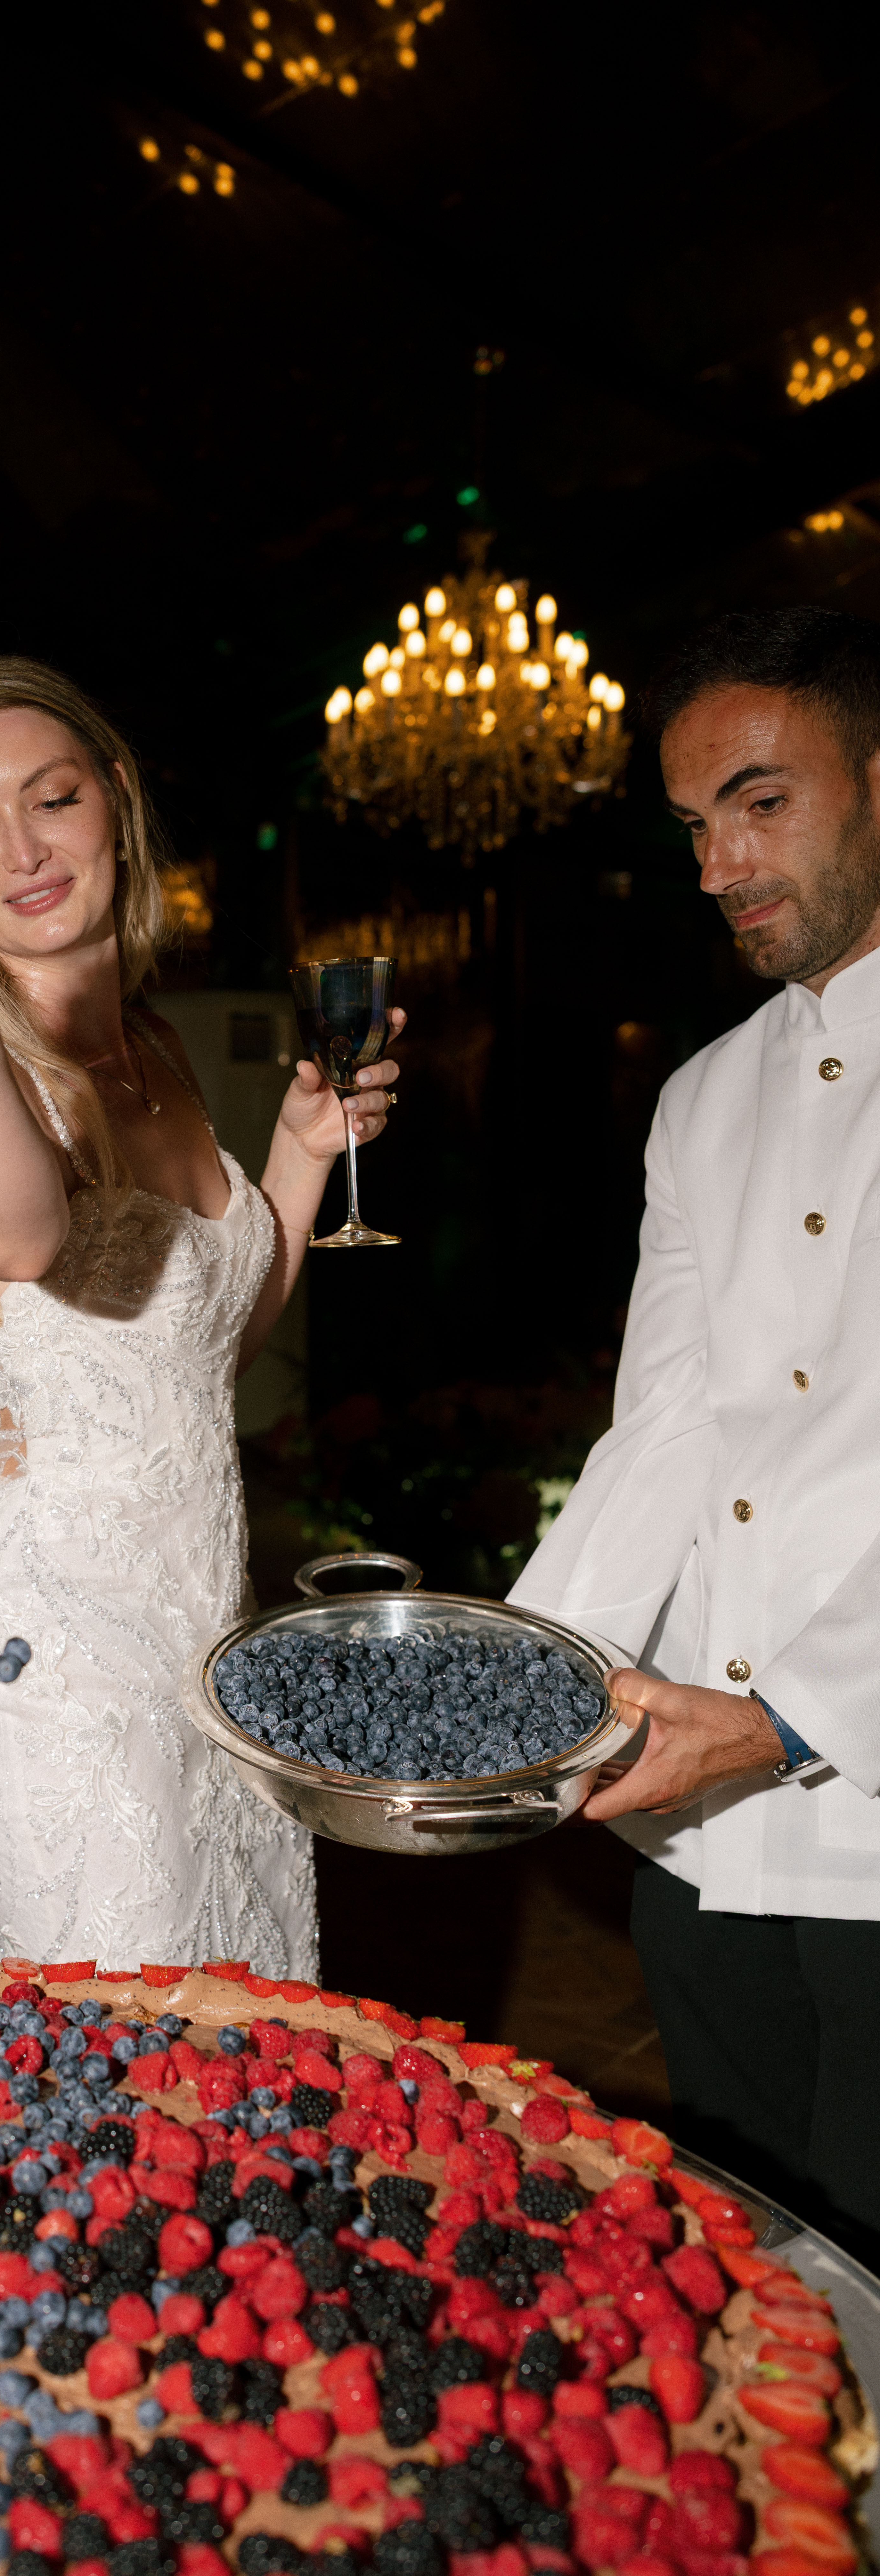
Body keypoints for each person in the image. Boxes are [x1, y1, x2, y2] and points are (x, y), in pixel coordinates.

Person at [0, 657, 403, 1970]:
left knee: (227, 2051)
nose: (18, 851)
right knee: (121, 2091)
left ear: (116, 802)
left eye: (52, 800)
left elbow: (202, 1362)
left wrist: (300, 1156)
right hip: (62, 1659)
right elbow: (25, 1233)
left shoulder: (155, 1045)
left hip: (203, 1634)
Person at [513, 606, 880, 2272]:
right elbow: (661, 1424)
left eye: (763, 802)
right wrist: (523, 1678)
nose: (721, 862)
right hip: (709, 1835)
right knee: (741, 2259)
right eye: (694, 827)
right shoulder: (703, 1094)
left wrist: (798, 1713)